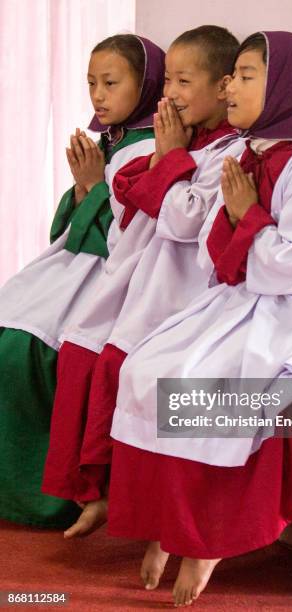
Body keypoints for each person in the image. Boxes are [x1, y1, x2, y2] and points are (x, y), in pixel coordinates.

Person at [107, 31, 292, 606]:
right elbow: (210, 242)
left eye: (247, 76)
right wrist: (238, 220)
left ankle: (208, 537)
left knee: (206, 384)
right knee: (146, 367)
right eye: (233, 76)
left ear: (286, 88)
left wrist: (247, 216)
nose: (230, 85)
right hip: (252, 293)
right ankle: (167, 525)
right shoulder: (248, 155)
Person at [41, 25, 245, 538]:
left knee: (121, 369)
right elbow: (127, 202)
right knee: (81, 354)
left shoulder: (231, 152)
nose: (169, 93)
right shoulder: (180, 139)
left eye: (182, 80)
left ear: (222, 87)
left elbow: (182, 219)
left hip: (184, 294)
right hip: (141, 280)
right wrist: (161, 160)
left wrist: (166, 159)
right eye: (168, 81)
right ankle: (90, 491)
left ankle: (125, 502)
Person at [0, 33, 165, 529]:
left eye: (111, 83)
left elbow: (126, 235)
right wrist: (83, 188)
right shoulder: (108, 141)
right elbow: (69, 230)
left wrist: (93, 187)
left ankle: (48, 495)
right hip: (75, 266)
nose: (97, 95)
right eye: (91, 83)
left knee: (25, 348)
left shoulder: (154, 146)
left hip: (114, 277)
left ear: (146, 83)